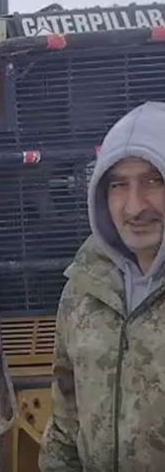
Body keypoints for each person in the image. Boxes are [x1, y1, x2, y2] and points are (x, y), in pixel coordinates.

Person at [40, 102, 165, 471]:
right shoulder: (85, 288)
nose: (134, 206)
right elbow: (65, 426)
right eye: (118, 185)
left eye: (153, 181)